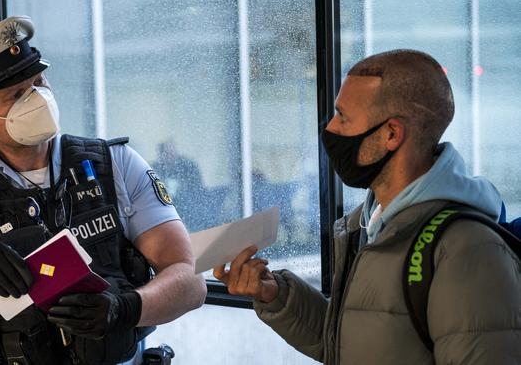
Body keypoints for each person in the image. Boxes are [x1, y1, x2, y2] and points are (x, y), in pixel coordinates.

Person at [0, 16, 206, 365]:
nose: (36, 100)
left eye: (38, 83)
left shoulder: (116, 165)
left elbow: (190, 282)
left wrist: (127, 307)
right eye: (15, 95)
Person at [214, 49, 521, 364]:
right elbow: (351, 344)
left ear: (391, 134)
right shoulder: (370, 223)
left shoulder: (468, 249)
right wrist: (276, 295)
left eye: (343, 117)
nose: (330, 129)